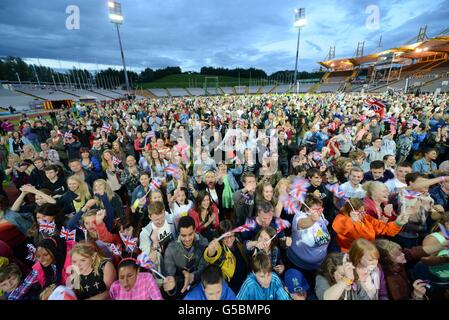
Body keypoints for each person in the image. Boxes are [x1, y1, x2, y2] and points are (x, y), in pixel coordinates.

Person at [7, 236, 74, 300]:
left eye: (45, 255)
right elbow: (26, 283)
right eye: (38, 256)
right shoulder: (40, 266)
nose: (42, 260)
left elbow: (76, 288)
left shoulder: (73, 263)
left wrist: (54, 289)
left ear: (55, 251)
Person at [332, 198, 409, 252]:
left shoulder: (366, 217)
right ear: (349, 211)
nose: (362, 214)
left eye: (363, 211)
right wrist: (356, 222)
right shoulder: (340, 220)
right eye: (358, 212)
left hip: (366, 250)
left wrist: (398, 223)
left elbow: (383, 227)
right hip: (349, 253)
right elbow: (361, 237)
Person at [375, 239, 440, 300]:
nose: (403, 254)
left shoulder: (397, 262)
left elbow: (413, 252)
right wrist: (416, 295)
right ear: (387, 260)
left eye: (401, 251)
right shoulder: (391, 281)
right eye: (398, 255)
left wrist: (441, 246)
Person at [163, 216, 209, 299]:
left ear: (195, 230)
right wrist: (171, 285)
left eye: (190, 234)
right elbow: (170, 275)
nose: (187, 239)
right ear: (179, 233)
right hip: (181, 290)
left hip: (201, 287)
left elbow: (205, 269)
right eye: (183, 235)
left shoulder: (203, 243)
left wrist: (192, 277)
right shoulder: (171, 249)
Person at [286, 196, 330, 274]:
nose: (319, 212)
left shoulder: (320, 215)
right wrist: (312, 219)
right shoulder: (299, 216)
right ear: (306, 209)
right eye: (315, 210)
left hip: (319, 264)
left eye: (320, 209)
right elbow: (302, 223)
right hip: (300, 266)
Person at [203, 220, 249, 294]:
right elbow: (210, 256)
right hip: (233, 288)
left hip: (246, 282)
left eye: (231, 235)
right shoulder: (220, 248)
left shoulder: (237, 241)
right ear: (220, 237)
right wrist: (210, 251)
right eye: (225, 237)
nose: (229, 239)